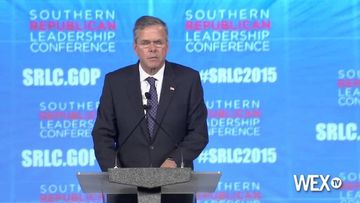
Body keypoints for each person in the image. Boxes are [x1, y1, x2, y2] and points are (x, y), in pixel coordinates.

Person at [92, 15, 209, 203]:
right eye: (145, 43)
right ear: (135, 47)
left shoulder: (188, 80)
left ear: (167, 46)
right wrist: (114, 172)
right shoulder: (115, 82)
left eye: (158, 42)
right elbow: (102, 133)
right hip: (126, 190)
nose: (152, 49)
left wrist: (175, 161)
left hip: (175, 188)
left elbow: (199, 133)